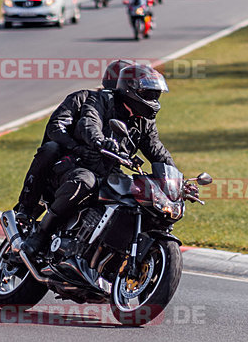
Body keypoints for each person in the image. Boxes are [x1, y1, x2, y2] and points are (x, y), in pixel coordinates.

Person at [22, 64, 175, 257]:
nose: (153, 100)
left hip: (109, 171)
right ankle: (41, 234)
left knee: (135, 196)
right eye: (149, 94)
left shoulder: (144, 121)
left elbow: (157, 150)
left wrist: (178, 181)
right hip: (79, 163)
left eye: (156, 95)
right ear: (127, 87)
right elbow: (89, 123)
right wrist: (99, 142)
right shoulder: (98, 99)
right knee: (83, 181)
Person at [14, 59, 135, 225]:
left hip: (100, 169)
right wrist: (76, 147)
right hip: (67, 161)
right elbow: (56, 126)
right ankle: (26, 207)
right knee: (50, 148)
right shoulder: (81, 98)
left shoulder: (129, 115)